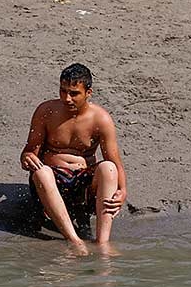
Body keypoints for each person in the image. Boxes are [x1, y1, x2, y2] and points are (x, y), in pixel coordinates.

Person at [20, 63, 127, 247]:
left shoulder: (101, 119)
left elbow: (114, 161)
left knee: (108, 169)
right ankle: (74, 240)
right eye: (63, 91)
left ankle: (103, 243)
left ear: (88, 93)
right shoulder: (46, 111)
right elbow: (29, 152)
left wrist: (123, 191)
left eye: (74, 93)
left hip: (83, 186)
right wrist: (27, 158)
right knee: (42, 172)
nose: (67, 98)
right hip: (52, 182)